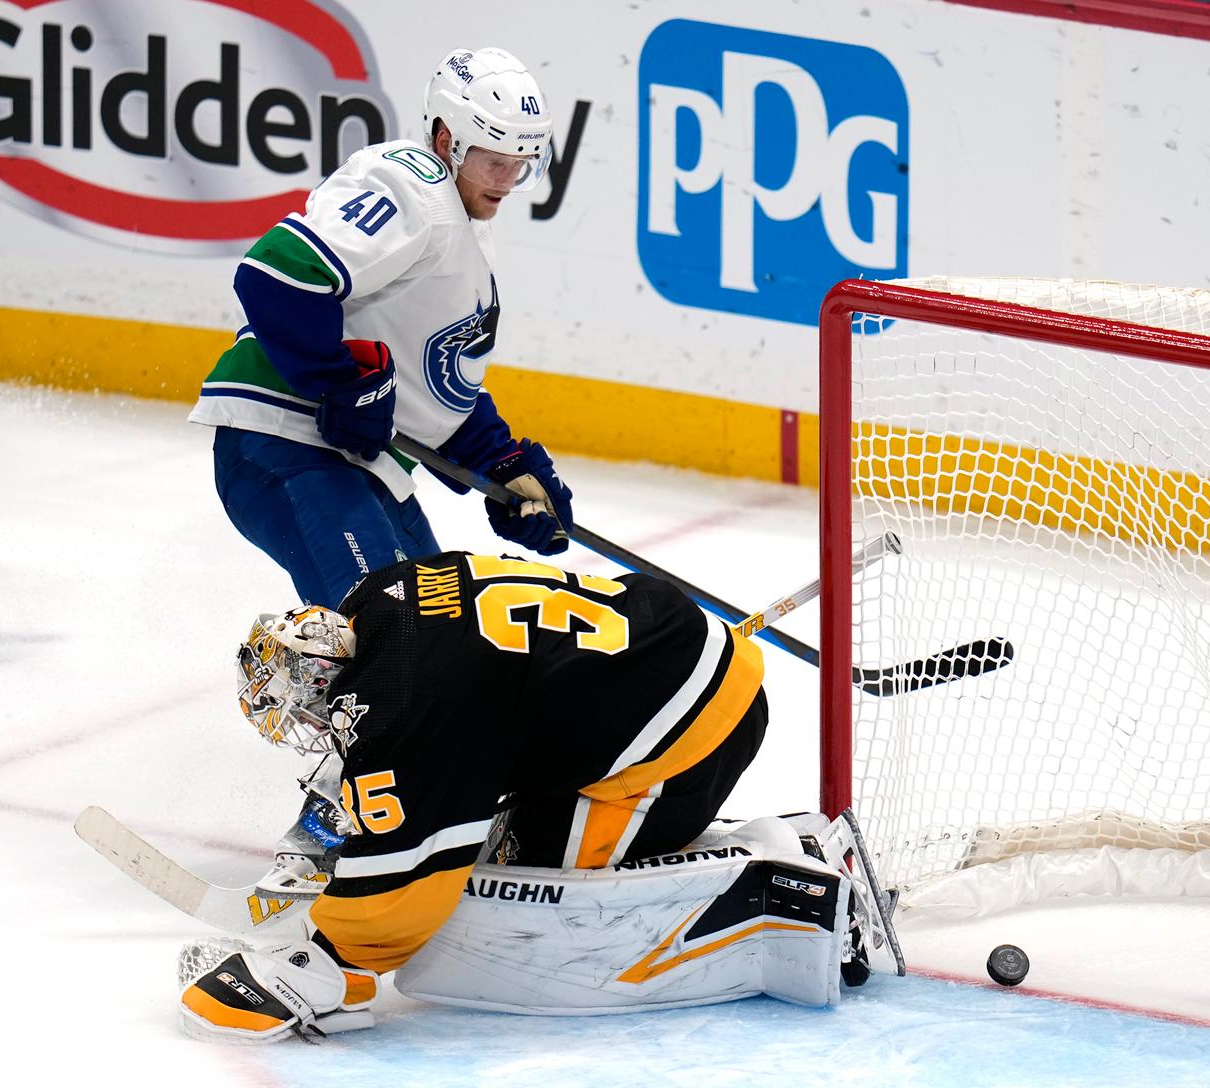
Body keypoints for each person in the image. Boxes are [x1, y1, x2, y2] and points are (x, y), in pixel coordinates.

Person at [187, 48, 574, 884]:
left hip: (349, 466)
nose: (508, 178)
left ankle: (422, 807)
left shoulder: (457, 238)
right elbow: (276, 275)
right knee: (402, 650)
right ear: (444, 135)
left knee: (445, 628)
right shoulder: (412, 186)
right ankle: (325, 846)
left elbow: (437, 385)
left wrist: (507, 466)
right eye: (493, 158)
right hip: (285, 445)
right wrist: (336, 382)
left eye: (522, 161)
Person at [179, 550, 837, 1042]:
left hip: (680, 737)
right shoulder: (379, 594)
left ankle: (775, 872)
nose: (317, 731)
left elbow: (414, 866)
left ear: (321, 683)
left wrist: (326, 959)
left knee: (523, 893)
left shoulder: (403, 704)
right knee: (490, 829)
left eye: (307, 714)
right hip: (665, 653)